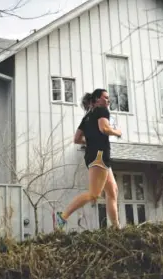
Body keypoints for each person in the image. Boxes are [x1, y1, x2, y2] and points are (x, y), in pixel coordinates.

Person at [55, 88, 122, 229]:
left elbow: (77, 139)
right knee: (94, 194)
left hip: (94, 156)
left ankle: (116, 226)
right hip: (100, 156)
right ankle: (63, 216)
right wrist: (117, 132)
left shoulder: (86, 118)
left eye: (108, 98)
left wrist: (91, 140)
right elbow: (104, 128)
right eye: (105, 97)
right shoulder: (102, 111)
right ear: (97, 99)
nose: (108, 100)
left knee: (112, 191)